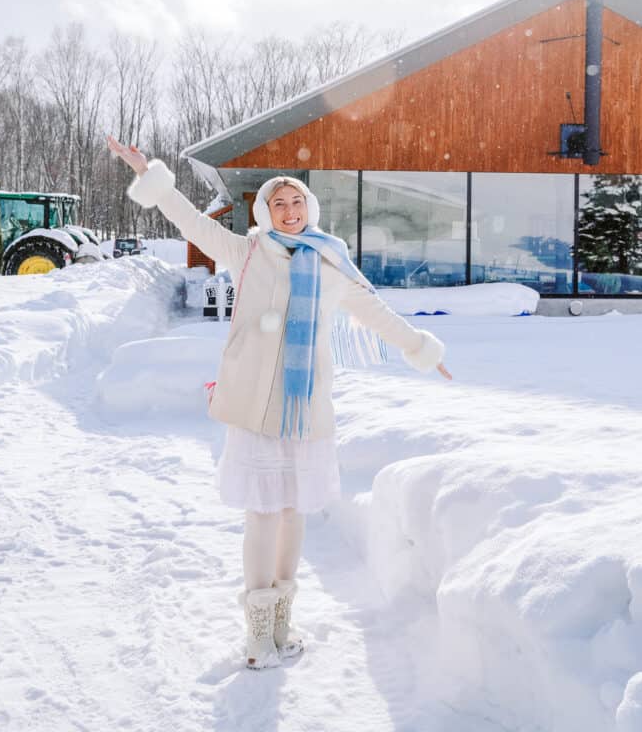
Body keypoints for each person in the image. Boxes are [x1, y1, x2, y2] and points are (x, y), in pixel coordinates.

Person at [106, 134, 452, 669]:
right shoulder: (247, 252)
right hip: (254, 404)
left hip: (305, 406)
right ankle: (257, 633)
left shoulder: (331, 263)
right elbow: (190, 222)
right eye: (278, 203)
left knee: (292, 513)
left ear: (309, 208)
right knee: (263, 513)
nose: (289, 211)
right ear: (265, 212)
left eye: (296, 202)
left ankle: (282, 621)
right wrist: (147, 173)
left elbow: (376, 314)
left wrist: (421, 349)